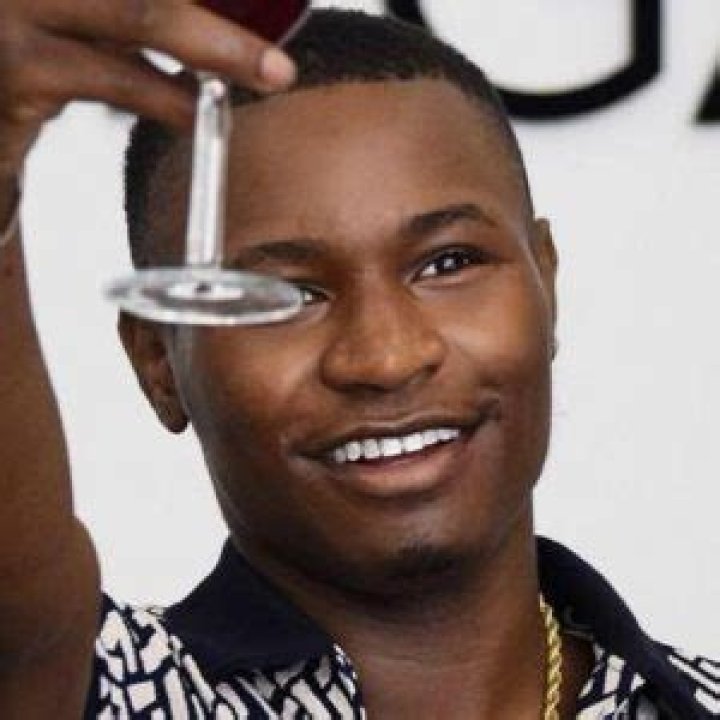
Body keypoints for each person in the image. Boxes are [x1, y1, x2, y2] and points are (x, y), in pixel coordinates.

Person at [0, 4, 717, 719]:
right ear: (159, 361)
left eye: (448, 262)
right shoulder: (114, 695)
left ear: (545, 283)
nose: (386, 357)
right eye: (288, 295)